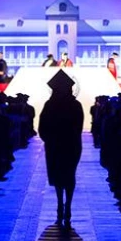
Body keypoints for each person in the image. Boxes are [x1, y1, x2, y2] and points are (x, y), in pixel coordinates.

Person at [38, 70, 84, 227]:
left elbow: (42, 127)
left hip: (55, 145)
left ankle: (60, 204)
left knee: (58, 176)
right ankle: (67, 205)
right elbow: (78, 126)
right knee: (69, 175)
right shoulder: (76, 105)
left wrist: (49, 139)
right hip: (71, 145)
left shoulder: (50, 105)